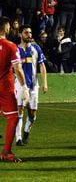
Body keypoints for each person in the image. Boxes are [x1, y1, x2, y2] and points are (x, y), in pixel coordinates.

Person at [0, 16, 29, 162]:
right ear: (5, 28)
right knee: (13, 117)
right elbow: (18, 68)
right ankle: (6, 152)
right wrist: (24, 87)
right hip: (4, 87)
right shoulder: (10, 46)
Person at [15, 25, 48, 146]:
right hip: (20, 84)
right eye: (26, 33)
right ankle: (18, 139)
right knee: (19, 111)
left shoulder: (36, 48)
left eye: (30, 32)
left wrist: (45, 83)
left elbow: (42, 66)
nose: (29, 35)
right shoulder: (16, 50)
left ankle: (26, 132)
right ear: (20, 34)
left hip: (34, 85)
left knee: (33, 114)